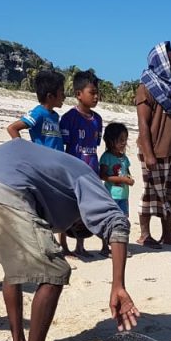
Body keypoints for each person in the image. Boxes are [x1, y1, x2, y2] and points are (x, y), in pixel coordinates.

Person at [0, 138, 139, 341]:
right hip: (7, 182)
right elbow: (117, 222)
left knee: (15, 269)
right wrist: (118, 285)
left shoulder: (55, 179)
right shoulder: (86, 177)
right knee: (55, 270)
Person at [135, 41, 171, 248]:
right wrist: (148, 154)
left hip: (169, 149)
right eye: (170, 59)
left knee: (168, 193)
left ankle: (167, 233)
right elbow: (142, 123)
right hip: (153, 149)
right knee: (150, 192)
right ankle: (145, 234)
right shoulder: (146, 87)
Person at [59, 71, 103, 258]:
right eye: (91, 92)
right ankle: (63, 245)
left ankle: (80, 244)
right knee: (67, 208)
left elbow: (96, 144)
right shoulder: (69, 118)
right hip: (72, 172)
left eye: (97, 93)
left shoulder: (98, 120)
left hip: (91, 171)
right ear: (78, 94)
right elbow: (64, 144)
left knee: (84, 210)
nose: (96, 97)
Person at [98, 122, 134, 257]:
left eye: (125, 139)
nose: (124, 143)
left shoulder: (124, 158)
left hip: (123, 196)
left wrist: (129, 178)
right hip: (111, 195)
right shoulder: (106, 157)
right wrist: (122, 180)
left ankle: (121, 246)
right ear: (111, 141)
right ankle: (104, 247)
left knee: (123, 220)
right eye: (121, 140)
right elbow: (103, 175)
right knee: (108, 220)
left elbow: (127, 171)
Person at [7, 70, 64, 149]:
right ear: (50, 96)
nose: (64, 97)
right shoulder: (38, 113)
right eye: (62, 93)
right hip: (43, 160)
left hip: (56, 159)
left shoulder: (55, 116)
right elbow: (12, 128)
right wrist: (21, 149)